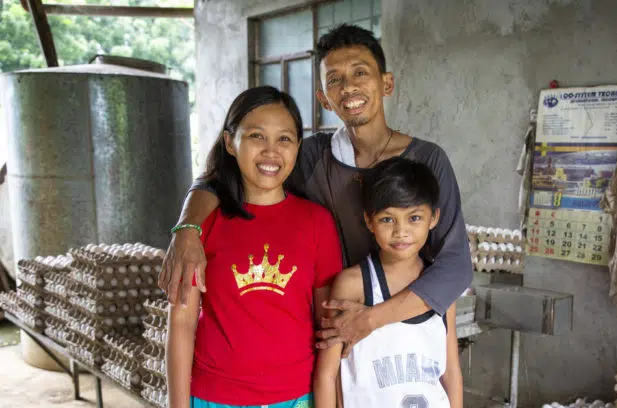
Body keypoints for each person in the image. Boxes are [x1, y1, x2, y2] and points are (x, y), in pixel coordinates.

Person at [158, 23, 473, 364]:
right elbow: (221, 179)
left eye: (360, 72)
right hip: (334, 329)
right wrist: (187, 229)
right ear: (323, 97)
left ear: (386, 83)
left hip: (406, 326)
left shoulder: (426, 159)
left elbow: (455, 266)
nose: (348, 86)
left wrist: (370, 319)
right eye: (334, 79)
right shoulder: (312, 157)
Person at [163, 86, 344, 408]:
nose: (271, 150)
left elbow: (328, 332)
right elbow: (182, 324)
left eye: (285, 138)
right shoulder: (203, 223)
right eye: (256, 136)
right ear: (230, 142)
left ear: (298, 147)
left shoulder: (316, 222)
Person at [315, 157, 465, 408]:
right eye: (387, 219)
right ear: (369, 221)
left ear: (433, 218)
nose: (401, 232)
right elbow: (325, 374)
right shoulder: (353, 285)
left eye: (414, 218)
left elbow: (452, 375)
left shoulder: (440, 288)